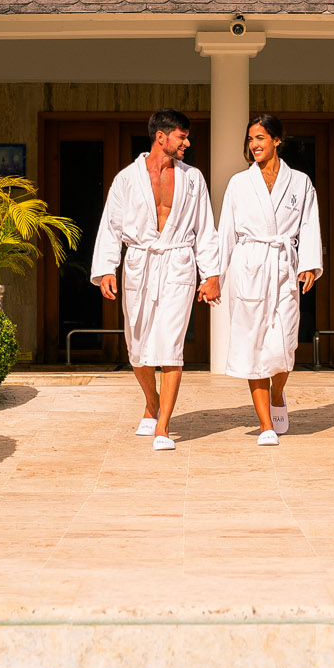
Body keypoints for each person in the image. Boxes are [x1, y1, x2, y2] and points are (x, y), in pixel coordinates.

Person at [91, 111, 211, 450]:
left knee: (172, 345)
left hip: (177, 263)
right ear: (162, 137)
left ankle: (163, 427)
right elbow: (112, 226)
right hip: (140, 264)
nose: (187, 143)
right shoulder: (127, 179)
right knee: (139, 348)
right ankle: (151, 401)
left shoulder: (193, 179)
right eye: (181, 137)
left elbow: (205, 228)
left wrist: (211, 274)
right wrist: (105, 269)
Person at [201, 112, 321, 446]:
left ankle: (278, 393)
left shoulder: (299, 182)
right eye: (251, 139)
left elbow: (310, 224)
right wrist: (214, 276)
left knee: (284, 343)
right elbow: (225, 233)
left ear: (277, 140)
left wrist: (308, 265)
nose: (254, 145)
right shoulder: (239, 184)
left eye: (261, 138)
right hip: (249, 267)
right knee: (254, 343)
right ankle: (265, 424)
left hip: (283, 265)